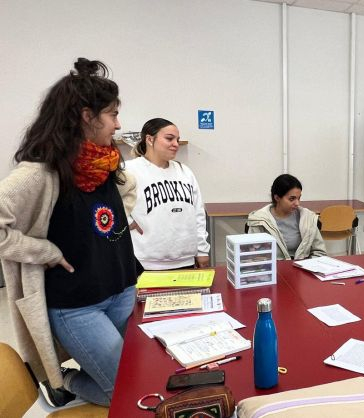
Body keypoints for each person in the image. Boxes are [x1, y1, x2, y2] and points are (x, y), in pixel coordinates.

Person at [0, 58, 141, 406]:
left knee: (140, 374)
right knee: (124, 394)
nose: (118, 123)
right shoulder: (40, 174)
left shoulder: (105, 161)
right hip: (78, 306)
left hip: (122, 289)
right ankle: (64, 381)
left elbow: (126, 190)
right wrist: (45, 251)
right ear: (86, 116)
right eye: (111, 114)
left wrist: (122, 217)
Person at [125, 118, 210, 270]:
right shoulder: (130, 170)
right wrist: (128, 221)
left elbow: (198, 214)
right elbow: (110, 205)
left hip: (186, 260)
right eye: (169, 139)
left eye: (177, 139)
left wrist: (202, 250)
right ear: (150, 140)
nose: (176, 144)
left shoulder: (185, 172)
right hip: (146, 262)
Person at [247, 174, 326, 260]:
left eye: (299, 198)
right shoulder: (260, 220)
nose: (297, 203)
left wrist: (309, 267)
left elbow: (319, 252)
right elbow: (254, 256)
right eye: (292, 199)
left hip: (303, 269)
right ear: (277, 198)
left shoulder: (308, 218)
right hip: (274, 269)